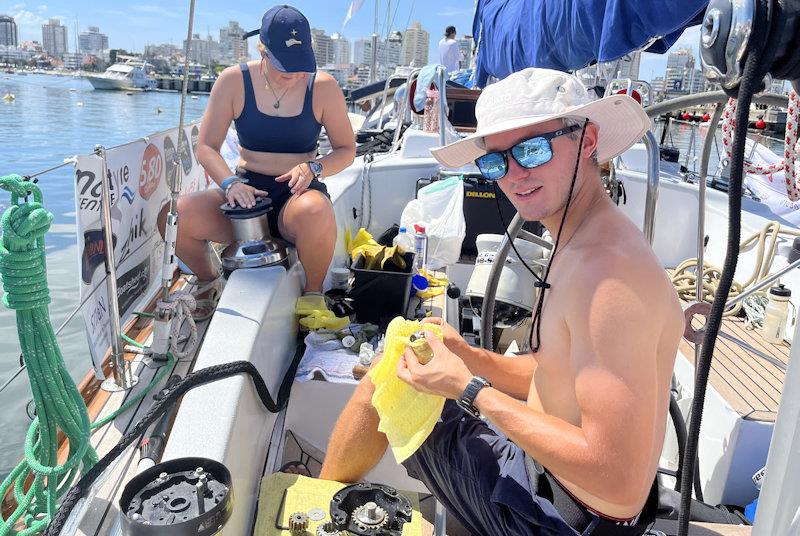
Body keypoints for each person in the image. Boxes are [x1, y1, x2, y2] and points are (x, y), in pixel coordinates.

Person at [320, 68, 684, 535]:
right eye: (496, 162)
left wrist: (468, 389)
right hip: (553, 487)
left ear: (588, 140)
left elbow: (619, 482)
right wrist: (470, 358)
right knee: (401, 366)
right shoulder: (581, 241)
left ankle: (315, 513)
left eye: (533, 149)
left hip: (555, 519)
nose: (514, 175)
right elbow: (557, 372)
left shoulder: (609, 279)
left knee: (385, 379)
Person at [158, 5, 355, 318]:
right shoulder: (232, 81)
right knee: (175, 215)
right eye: (284, 68)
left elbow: (346, 149)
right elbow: (207, 147)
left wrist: (315, 167)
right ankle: (211, 280)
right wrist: (230, 183)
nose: (295, 75)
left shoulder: (324, 87)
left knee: (317, 211)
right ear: (263, 52)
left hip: (298, 193)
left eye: (301, 66)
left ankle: (313, 294)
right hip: (244, 192)